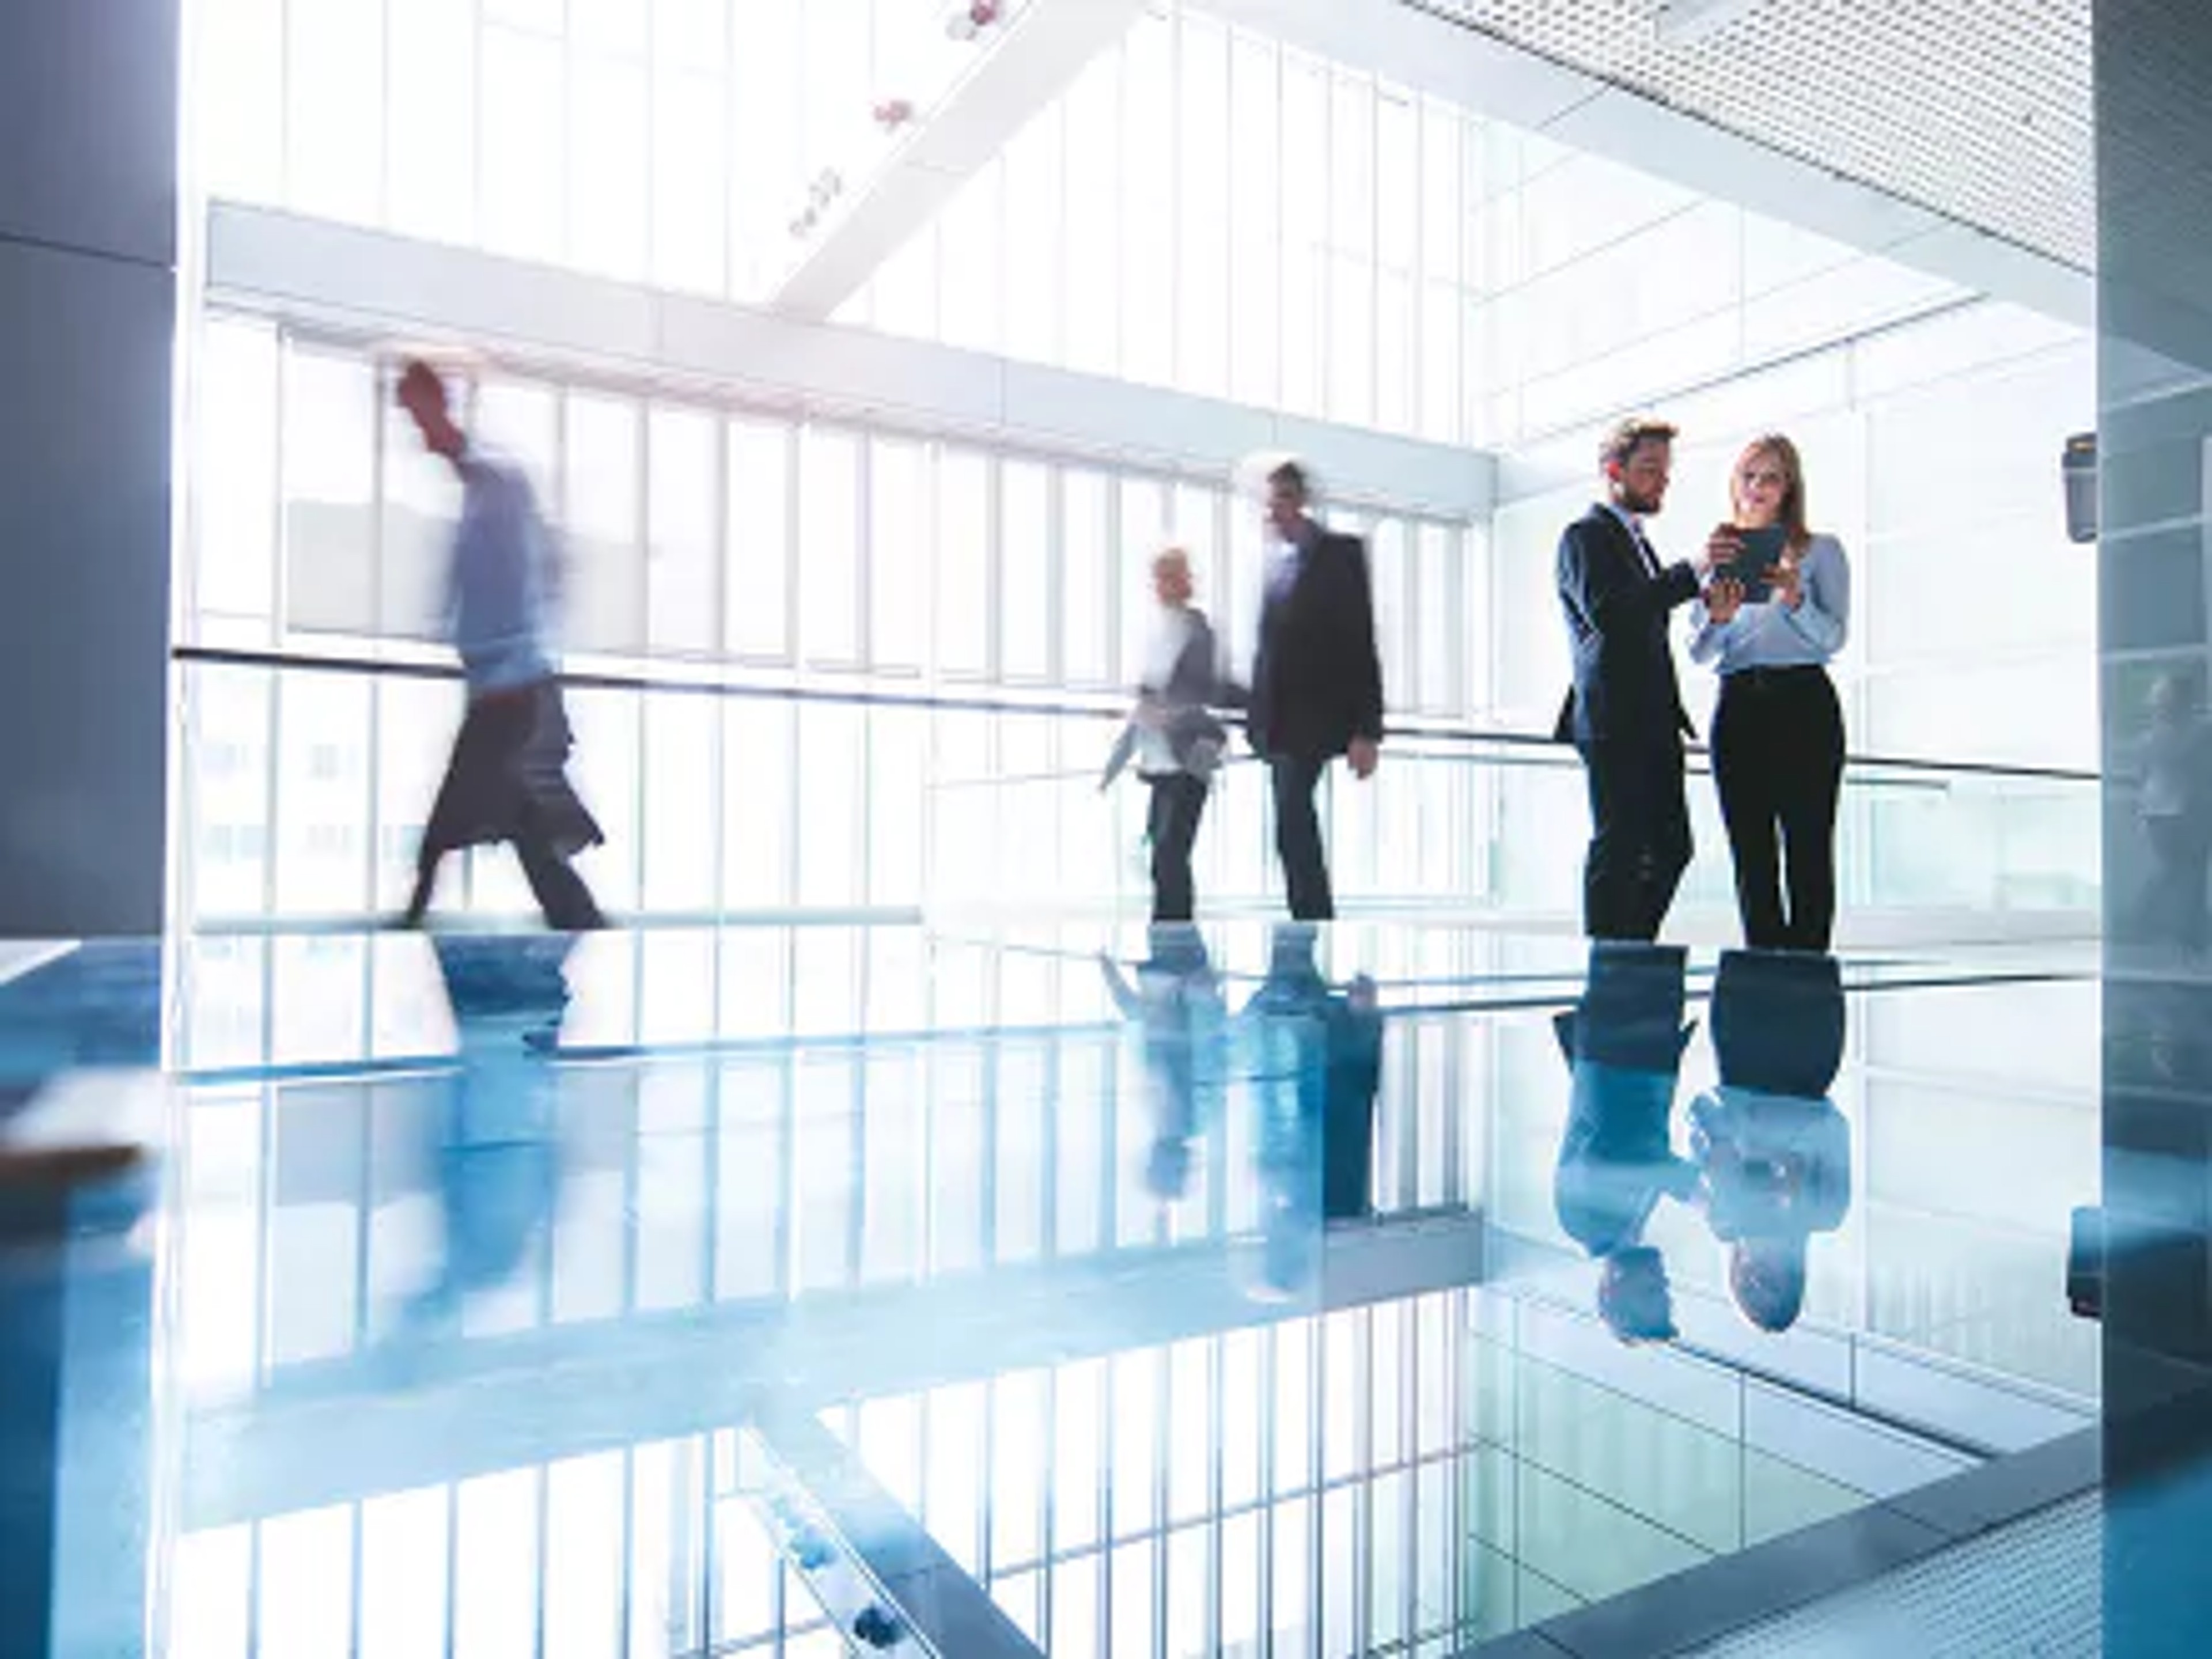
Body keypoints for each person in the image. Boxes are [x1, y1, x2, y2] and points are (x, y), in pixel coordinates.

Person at [393, 357, 606, 932]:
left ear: (441, 406)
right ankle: (581, 923)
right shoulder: (481, 489)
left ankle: (415, 920)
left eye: (419, 417)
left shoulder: (495, 480)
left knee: (459, 821)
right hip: (502, 688)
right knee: (525, 831)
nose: (420, 436)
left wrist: (510, 653)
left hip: (511, 692)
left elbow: (532, 575)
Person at [1554, 416, 1720, 942]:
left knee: (1672, 847)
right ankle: (1610, 970)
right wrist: (1689, 574)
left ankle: (1632, 952)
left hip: (1651, 720)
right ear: (1613, 471)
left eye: (1665, 472)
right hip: (1613, 720)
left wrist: (1703, 594)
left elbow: (1644, 618)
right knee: (1620, 845)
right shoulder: (1584, 537)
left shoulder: (1637, 542)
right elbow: (1609, 614)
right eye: (1649, 469)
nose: (1661, 481)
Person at [1690, 435, 1853, 952]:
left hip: (1803, 702)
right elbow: (1698, 652)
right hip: (1739, 706)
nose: (1758, 487)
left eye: (1772, 477)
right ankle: (1762, 978)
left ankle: (1807, 976)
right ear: (1734, 485)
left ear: (1789, 488)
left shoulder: (1821, 551)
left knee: (1808, 847)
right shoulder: (1719, 556)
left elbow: (1834, 638)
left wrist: (1795, 598)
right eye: (1749, 476)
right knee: (1751, 854)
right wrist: (1718, 619)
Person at [1246, 459, 1384, 922]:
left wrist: (1367, 730)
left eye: (1281, 502)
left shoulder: (1338, 554)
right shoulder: (1278, 565)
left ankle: (1313, 920)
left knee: (1292, 821)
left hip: (1317, 718)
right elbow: (1268, 651)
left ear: (1300, 500)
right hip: (1279, 724)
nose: (1273, 515)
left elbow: (1359, 640)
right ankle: (1308, 919)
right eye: (1268, 506)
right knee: (1291, 826)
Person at [1690, 948, 1851, 1334]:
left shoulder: (1719, 1214)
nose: (1759, 1277)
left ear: (1737, 1277)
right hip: (1808, 1058)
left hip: (1741, 1055)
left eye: (1750, 1287)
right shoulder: (1825, 1212)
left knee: (1752, 924)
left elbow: (1700, 1110)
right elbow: (1835, 1126)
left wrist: (1730, 1145)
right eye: (1775, 1287)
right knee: (1811, 931)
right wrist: (1785, 1153)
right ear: (1797, 1281)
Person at [1552, 942, 1699, 1343]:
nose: (1665, 1284)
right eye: (1666, 1296)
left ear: (1610, 1288)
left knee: (1625, 920)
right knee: (1651, 916)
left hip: (1619, 1044)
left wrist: (1689, 1184)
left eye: (1652, 1293)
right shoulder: (1632, 1220)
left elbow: (1614, 1153)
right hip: (1642, 1048)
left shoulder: (1584, 1223)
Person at [1099, 549, 1230, 923]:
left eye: (1172, 576)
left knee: (1172, 850)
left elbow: (1203, 688)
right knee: (1163, 850)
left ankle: (1177, 943)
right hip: (1162, 759)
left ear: (1187, 581)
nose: (1165, 585)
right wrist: (1115, 763)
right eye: (1160, 577)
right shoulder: (1157, 632)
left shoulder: (1198, 628)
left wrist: (1168, 711)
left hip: (1196, 751)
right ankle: (1170, 938)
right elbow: (1144, 704)